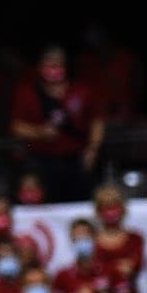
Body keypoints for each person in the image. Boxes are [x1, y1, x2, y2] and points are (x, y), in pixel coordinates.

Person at [10, 46, 104, 203]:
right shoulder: (27, 92)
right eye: (49, 65)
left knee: (80, 200)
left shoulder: (81, 90)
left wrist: (93, 149)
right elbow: (16, 127)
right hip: (42, 161)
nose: (54, 69)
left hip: (77, 160)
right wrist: (40, 132)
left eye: (58, 65)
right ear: (40, 67)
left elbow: (97, 121)